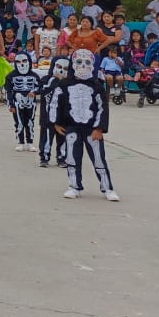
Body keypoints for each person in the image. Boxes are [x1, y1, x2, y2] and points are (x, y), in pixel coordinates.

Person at [55, 49, 119, 202]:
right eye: (79, 62)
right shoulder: (64, 84)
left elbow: (103, 108)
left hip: (92, 128)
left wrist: (100, 128)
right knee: (72, 158)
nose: (83, 66)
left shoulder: (97, 86)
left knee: (98, 159)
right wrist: (56, 122)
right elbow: (56, 104)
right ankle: (74, 186)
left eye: (87, 62)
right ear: (73, 64)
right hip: (71, 127)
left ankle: (107, 188)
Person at [4, 52, 40, 151]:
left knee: (30, 123)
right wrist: (10, 105)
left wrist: (35, 92)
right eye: (18, 62)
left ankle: (30, 142)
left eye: (24, 61)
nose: (22, 64)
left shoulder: (34, 75)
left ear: (29, 61)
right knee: (19, 123)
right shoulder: (10, 76)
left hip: (31, 103)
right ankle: (20, 142)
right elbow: (8, 91)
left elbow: (40, 87)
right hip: (17, 103)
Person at [38, 56, 70, 168]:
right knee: (46, 138)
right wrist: (54, 81)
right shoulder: (46, 79)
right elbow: (42, 91)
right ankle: (44, 158)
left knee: (63, 139)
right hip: (47, 116)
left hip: (63, 117)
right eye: (59, 67)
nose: (61, 71)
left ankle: (62, 158)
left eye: (65, 68)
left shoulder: (69, 82)